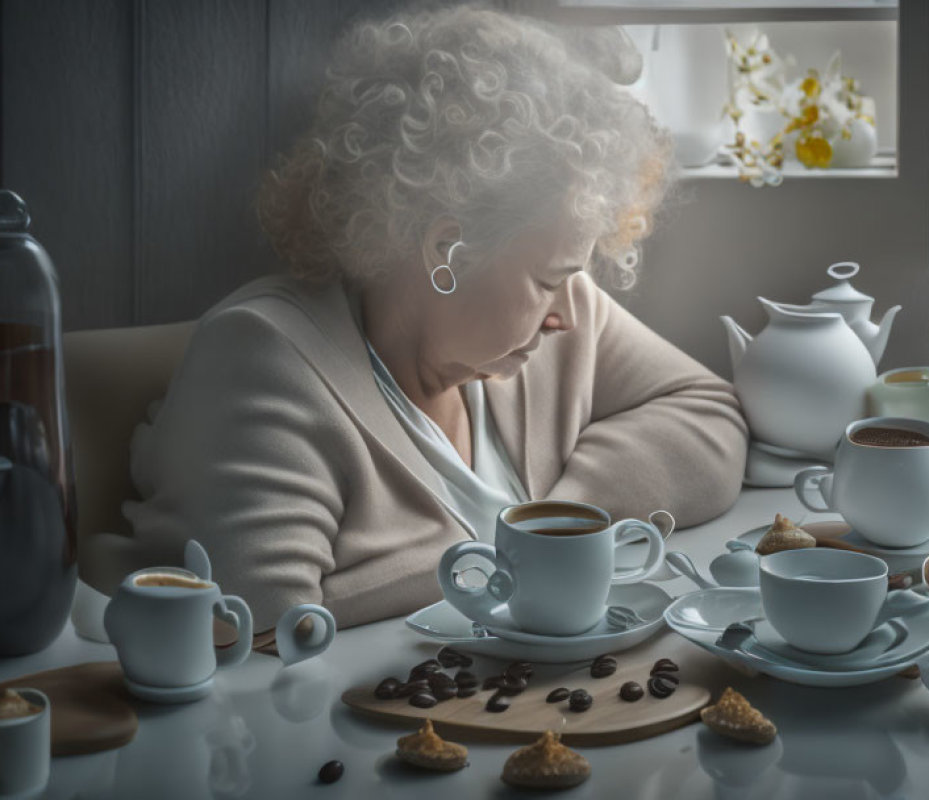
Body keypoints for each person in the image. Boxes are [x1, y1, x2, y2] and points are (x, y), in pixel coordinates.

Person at [102, 4, 748, 651]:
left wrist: (552, 527)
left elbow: (709, 419)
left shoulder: (552, 320)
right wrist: (517, 558)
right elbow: (269, 629)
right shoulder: (261, 360)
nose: (567, 312)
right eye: (546, 279)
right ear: (446, 251)